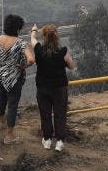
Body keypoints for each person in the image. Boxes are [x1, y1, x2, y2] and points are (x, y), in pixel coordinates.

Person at [0, 14, 35, 144]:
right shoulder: (22, 43)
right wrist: (24, 66)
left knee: (1, 99)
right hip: (14, 78)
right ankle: (9, 136)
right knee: (12, 105)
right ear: (18, 28)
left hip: (0, 74)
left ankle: (0, 123)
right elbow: (31, 59)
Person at [30, 23, 76, 152]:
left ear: (44, 36)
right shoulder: (63, 51)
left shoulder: (38, 49)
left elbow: (32, 39)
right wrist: (64, 64)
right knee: (60, 114)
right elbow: (72, 66)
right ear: (56, 36)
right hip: (59, 88)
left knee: (45, 114)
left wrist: (34, 30)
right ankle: (59, 142)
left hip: (42, 88)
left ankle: (47, 140)